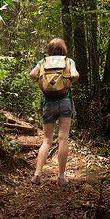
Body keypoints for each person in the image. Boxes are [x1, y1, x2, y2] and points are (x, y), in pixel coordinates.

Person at [30, 38, 79, 185]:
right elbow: (75, 75)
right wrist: (66, 80)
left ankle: (37, 174)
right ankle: (61, 177)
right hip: (65, 101)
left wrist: (45, 81)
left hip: (47, 102)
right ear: (63, 49)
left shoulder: (43, 62)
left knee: (47, 140)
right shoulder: (68, 61)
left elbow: (33, 74)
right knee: (63, 138)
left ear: (49, 49)